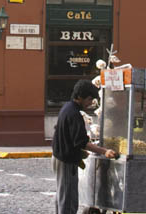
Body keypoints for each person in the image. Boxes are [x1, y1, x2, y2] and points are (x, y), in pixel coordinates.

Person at [52, 80, 118, 214]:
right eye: (89, 99)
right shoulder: (74, 114)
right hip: (66, 161)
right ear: (80, 97)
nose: (90, 103)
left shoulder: (67, 107)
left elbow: (69, 138)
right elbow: (81, 142)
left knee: (62, 195)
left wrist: (82, 154)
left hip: (60, 158)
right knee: (68, 200)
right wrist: (105, 151)